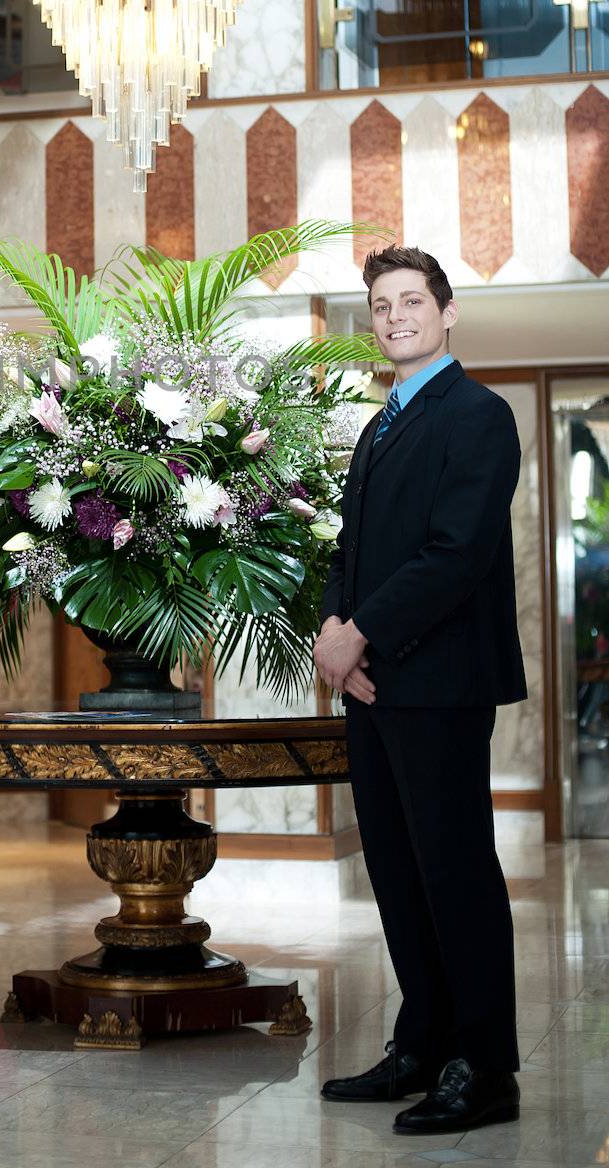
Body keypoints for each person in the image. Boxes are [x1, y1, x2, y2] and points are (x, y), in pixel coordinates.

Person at [315, 245, 525, 1136]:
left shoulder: (477, 415)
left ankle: (481, 1066)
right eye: (379, 304)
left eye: (409, 300)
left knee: (454, 874)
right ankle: (424, 1041)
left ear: (446, 313)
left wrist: (359, 633)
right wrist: (334, 634)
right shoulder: (378, 424)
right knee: (396, 875)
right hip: (373, 689)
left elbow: (455, 553)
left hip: (439, 684)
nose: (393, 314)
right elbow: (350, 552)